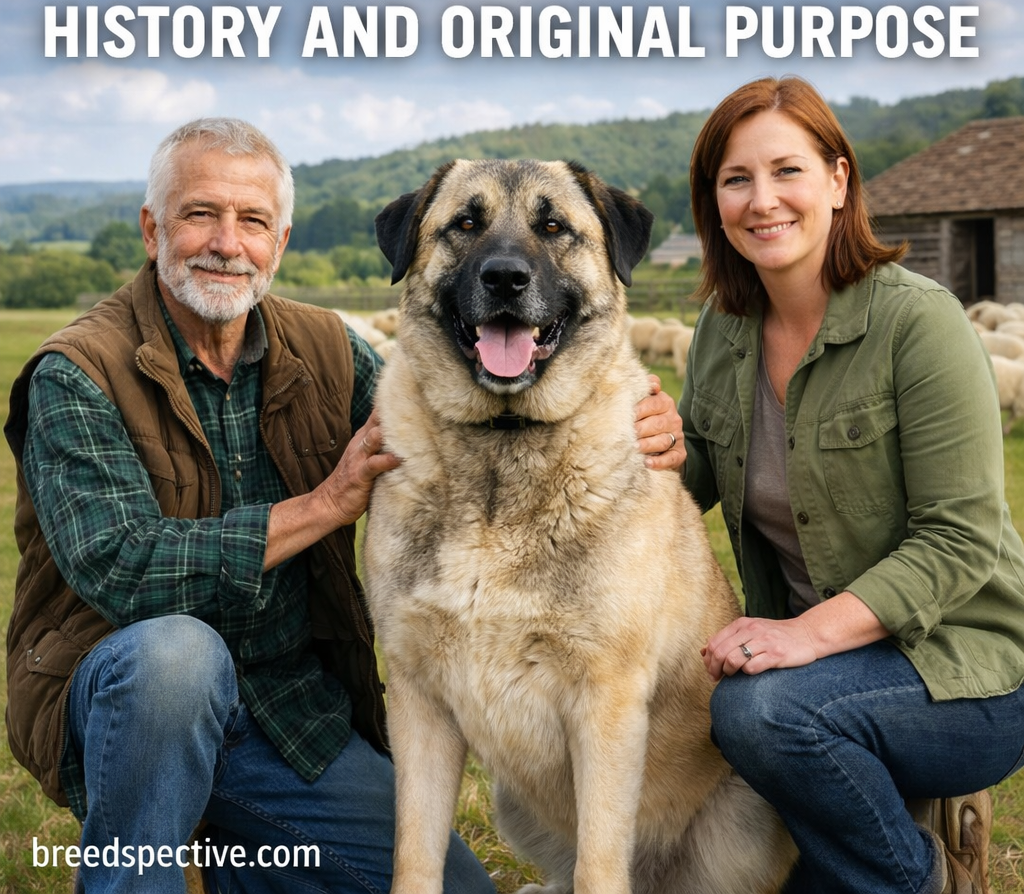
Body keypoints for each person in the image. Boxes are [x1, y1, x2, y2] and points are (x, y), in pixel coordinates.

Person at [4, 117, 682, 894]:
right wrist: (325, 506)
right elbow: (123, 567)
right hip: (131, 713)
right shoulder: (75, 372)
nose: (228, 242)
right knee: (175, 659)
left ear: (280, 240)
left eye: (253, 221)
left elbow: (433, 411)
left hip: (290, 718)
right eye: (200, 214)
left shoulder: (329, 349)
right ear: (153, 227)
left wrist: (640, 419)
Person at [680, 76, 1024, 894]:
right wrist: (649, 446)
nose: (763, 200)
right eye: (736, 179)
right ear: (714, 202)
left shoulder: (919, 323)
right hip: (825, 677)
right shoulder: (723, 328)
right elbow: (696, 469)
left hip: (962, 672)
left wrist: (804, 637)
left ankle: (919, 878)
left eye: (787, 170)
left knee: (755, 713)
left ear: (838, 181)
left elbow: (960, 537)